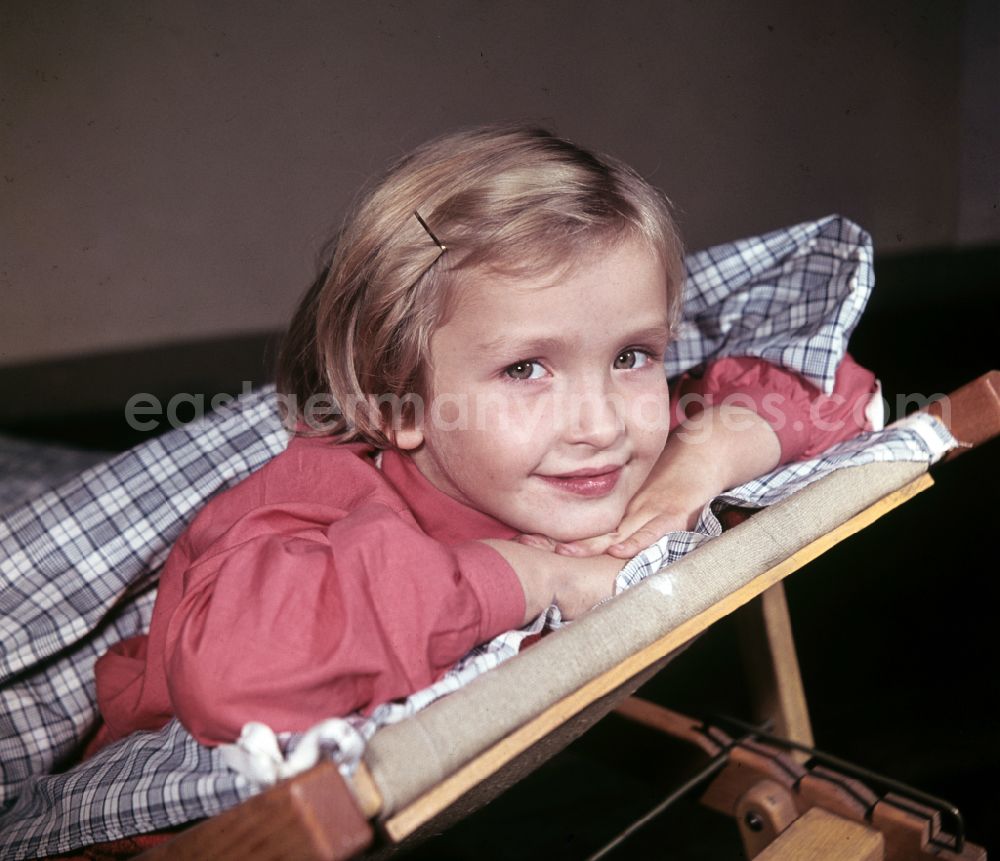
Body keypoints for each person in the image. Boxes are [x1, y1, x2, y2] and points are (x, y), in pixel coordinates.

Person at [93, 124, 877, 749]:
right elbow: (237, 673)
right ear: (398, 403)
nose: (602, 423)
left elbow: (836, 384)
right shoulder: (320, 497)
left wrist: (700, 458)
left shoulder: (613, 449)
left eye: (632, 355)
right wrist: (530, 574)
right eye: (527, 369)